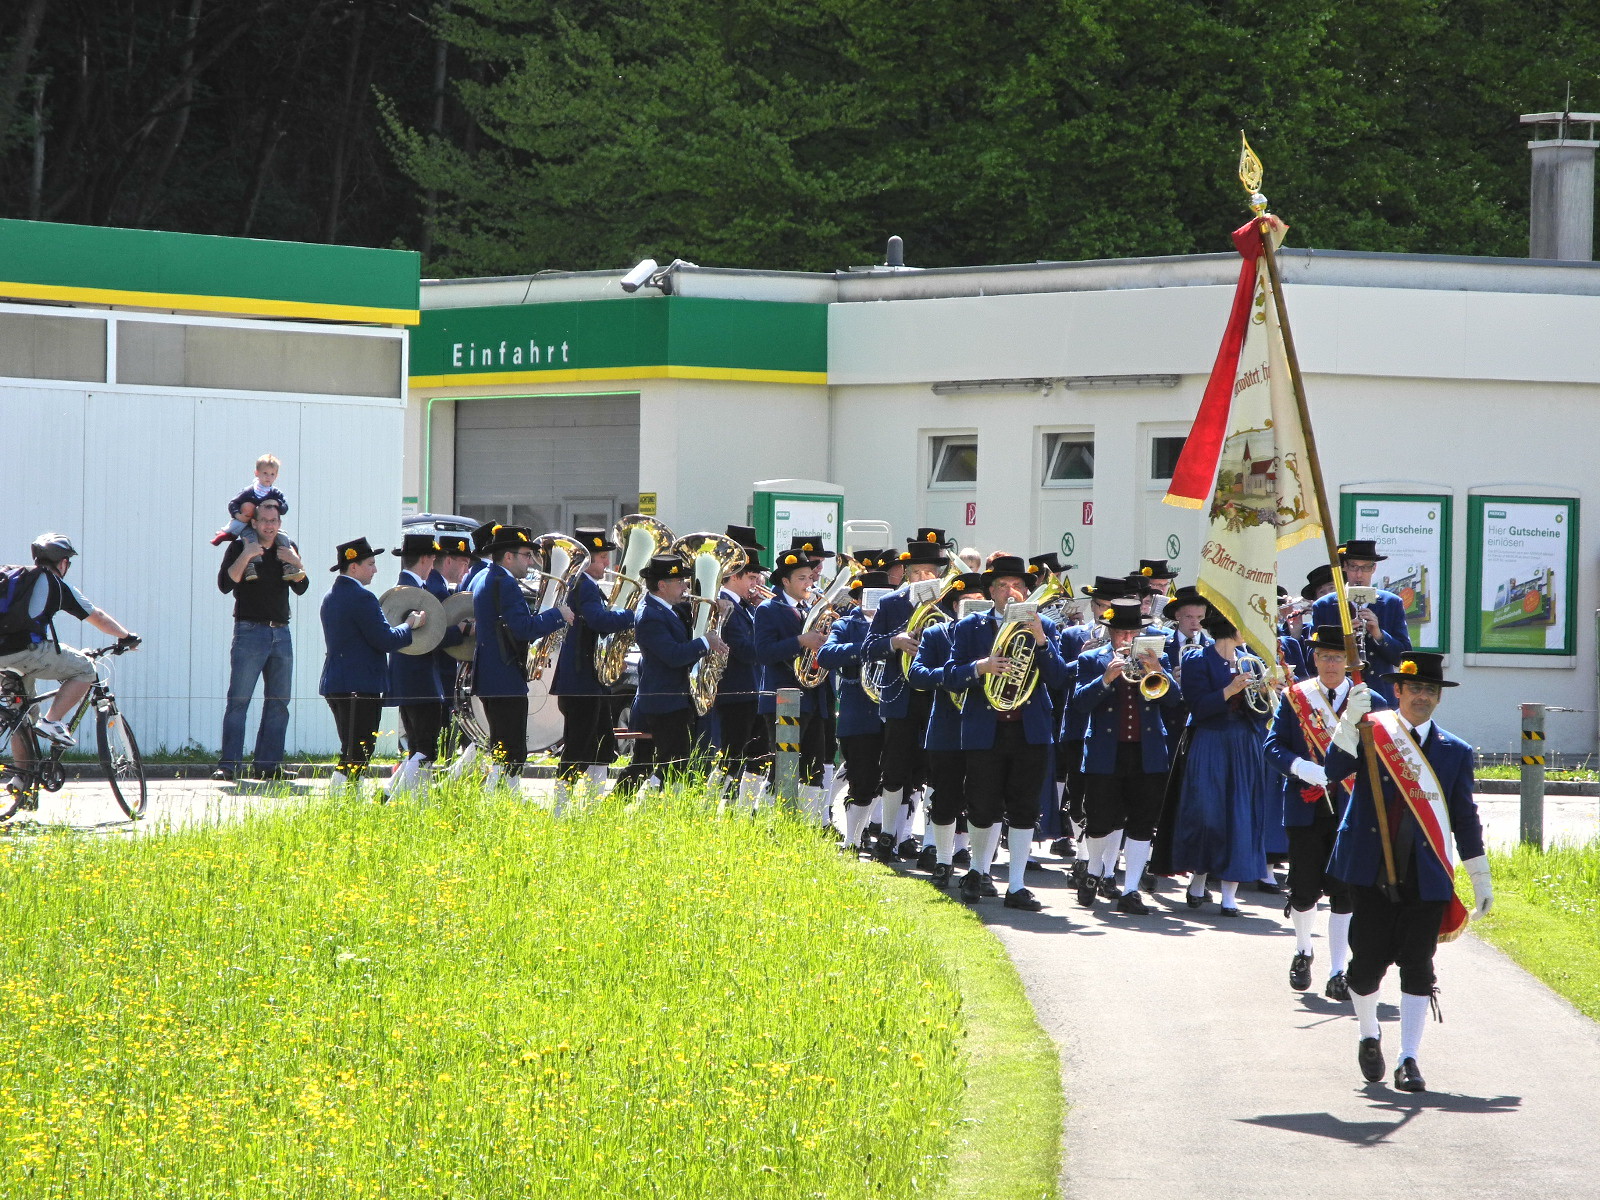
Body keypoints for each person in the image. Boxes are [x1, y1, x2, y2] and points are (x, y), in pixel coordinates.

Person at [1326, 652, 1490, 1093]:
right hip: (1370, 869)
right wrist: (1348, 722)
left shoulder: (1455, 751)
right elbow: (1332, 770)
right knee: (1365, 968)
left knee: (1418, 967)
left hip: (1425, 874)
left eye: (1430, 690)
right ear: (1397, 691)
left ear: (1439, 697)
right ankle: (1369, 1034)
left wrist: (1480, 876)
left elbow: (1464, 817)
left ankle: (1409, 1059)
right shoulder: (1371, 731)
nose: (1423, 696)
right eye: (1415, 688)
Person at [1265, 624, 1389, 1001]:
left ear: (1349, 662)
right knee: (1304, 890)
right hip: (1304, 805)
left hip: (1352, 810)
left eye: (1337, 657)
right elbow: (1272, 747)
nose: (1330, 664)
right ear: (1314, 659)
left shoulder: (1369, 699)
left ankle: (1338, 970)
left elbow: (1385, 753)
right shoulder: (1296, 696)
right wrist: (1301, 767)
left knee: (1344, 893)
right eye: (1323, 656)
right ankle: (1303, 950)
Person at [944, 554, 1070, 911]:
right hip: (985, 730)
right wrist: (981, 667)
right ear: (991, 592)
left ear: (1026, 592)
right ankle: (978, 872)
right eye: (1002, 586)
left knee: (1025, 808)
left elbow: (1059, 678)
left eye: (1017, 586)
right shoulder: (971, 626)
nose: (1010, 592)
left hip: (1029, 732)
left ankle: (1016, 884)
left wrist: (1041, 641)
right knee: (981, 805)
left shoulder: (1045, 625)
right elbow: (951, 675)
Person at [1070, 598, 1186, 914]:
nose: (1127, 638)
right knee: (1099, 821)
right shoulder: (1092, 659)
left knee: (1142, 823)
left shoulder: (1157, 658)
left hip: (1148, 753)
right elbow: (1079, 703)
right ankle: (1093, 871)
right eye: (1121, 633)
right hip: (1105, 752)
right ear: (1110, 633)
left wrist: (1159, 671)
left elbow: (1174, 701)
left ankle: (1131, 889)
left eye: (1132, 633)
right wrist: (1105, 679)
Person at [0, 535, 139, 789]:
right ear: (63, 563)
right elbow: (97, 616)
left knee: (23, 717)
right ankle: (52, 721)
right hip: (27, 651)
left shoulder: (14, 578)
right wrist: (126, 636)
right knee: (85, 668)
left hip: (2, 657)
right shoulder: (55, 584)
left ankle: (22, 781)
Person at [1166, 607, 1273, 916]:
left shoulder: (1250, 660)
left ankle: (1229, 895)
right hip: (1210, 741)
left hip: (1243, 743)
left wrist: (1265, 692)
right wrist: (1229, 690)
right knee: (1207, 814)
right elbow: (1197, 707)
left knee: (1240, 814)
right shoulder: (1196, 659)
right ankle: (1198, 879)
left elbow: (1262, 713)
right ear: (1229, 627)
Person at [864, 528, 950, 858]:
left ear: (939, 575)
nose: (923, 578)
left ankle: (927, 841)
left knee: (932, 771)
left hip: (936, 696)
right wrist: (895, 642)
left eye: (930, 573)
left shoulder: (948, 603)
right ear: (907, 573)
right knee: (894, 770)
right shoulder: (891, 603)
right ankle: (888, 835)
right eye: (917, 572)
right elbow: (869, 646)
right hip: (901, 696)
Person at [468, 525, 573, 790]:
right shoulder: (505, 584)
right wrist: (558, 614)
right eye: (526, 555)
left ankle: (498, 798)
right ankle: (500, 799)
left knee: (502, 747)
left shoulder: (485, 577)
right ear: (508, 557)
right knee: (512, 750)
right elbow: (523, 629)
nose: (531, 562)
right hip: (504, 676)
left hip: (492, 676)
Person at [214, 500, 308, 781]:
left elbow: (302, 587)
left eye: (274, 521)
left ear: (280, 523)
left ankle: (268, 765)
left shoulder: (286, 547)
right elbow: (225, 584)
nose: (269, 525)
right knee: (239, 701)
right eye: (264, 520)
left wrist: (296, 561)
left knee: (279, 702)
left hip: (281, 632)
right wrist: (247, 554)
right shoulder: (240, 546)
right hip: (249, 631)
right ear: (254, 523)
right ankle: (229, 766)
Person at [320, 537, 425, 789]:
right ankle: (349, 796)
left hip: (337, 682)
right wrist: (409, 624)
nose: (375, 570)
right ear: (353, 567)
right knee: (360, 748)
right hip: (359, 684)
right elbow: (385, 639)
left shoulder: (330, 596)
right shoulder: (362, 597)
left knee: (350, 747)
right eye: (370, 564)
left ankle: (340, 796)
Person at [907, 573, 985, 887]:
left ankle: (979, 869)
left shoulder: (996, 636)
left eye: (982, 603)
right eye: (969, 603)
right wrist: (955, 675)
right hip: (947, 729)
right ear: (955, 606)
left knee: (983, 802)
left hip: (984, 728)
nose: (977, 608)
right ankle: (942, 861)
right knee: (944, 800)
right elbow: (917, 674)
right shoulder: (937, 633)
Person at [551, 527, 636, 806]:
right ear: (588, 561)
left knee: (602, 745)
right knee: (579, 746)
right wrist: (631, 615)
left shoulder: (585, 585)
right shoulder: (583, 585)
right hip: (581, 681)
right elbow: (599, 621)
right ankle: (561, 804)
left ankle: (591, 805)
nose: (607, 564)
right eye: (602, 559)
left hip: (590, 680)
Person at [383, 532, 468, 800]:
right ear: (425, 559)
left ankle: (392, 793)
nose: (434, 564)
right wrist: (460, 631)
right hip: (419, 678)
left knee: (418, 745)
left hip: (410, 677)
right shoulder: (416, 592)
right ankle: (399, 799)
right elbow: (431, 635)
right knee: (425, 747)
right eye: (432, 558)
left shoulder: (407, 586)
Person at [752, 540, 828, 820]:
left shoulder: (812, 608)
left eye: (810, 578)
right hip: (782, 698)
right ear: (785, 581)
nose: (809, 583)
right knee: (783, 765)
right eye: (802, 578)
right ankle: (768, 819)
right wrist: (800, 641)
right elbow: (764, 652)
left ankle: (808, 823)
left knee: (813, 765)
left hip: (813, 697)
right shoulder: (768, 609)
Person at [819, 573, 888, 851]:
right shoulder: (846, 624)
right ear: (858, 600)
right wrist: (872, 648)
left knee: (889, 779)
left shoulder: (900, 625)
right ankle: (852, 841)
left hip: (894, 712)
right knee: (862, 778)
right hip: (860, 714)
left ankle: (879, 835)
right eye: (872, 597)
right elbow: (826, 655)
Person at [1311, 540, 1411, 704]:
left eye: (1365, 568)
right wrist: (1341, 637)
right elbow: (1311, 656)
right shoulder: (1324, 605)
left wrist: (1379, 635)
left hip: (1380, 695)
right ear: (1344, 567)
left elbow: (1403, 657)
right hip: (1338, 696)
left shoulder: (1391, 603)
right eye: (1353, 567)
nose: (1359, 575)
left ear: (1374, 568)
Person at [711, 526, 768, 801]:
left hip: (750, 690)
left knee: (756, 754)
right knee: (732, 755)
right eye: (752, 578)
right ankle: (713, 803)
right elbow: (743, 649)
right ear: (735, 576)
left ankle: (743, 807)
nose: (755, 585)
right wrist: (774, 646)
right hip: (735, 691)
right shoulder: (725, 605)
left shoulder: (745, 605)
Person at [210, 454, 291, 587]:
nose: (268, 477)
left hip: (273, 539)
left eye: (272, 474)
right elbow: (233, 503)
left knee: (284, 538)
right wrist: (238, 515)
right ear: (256, 473)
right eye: (265, 473)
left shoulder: (275, 493)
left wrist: (277, 503)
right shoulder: (250, 491)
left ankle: (288, 566)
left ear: (276, 476)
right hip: (248, 526)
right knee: (250, 540)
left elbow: (285, 507)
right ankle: (250, 565)